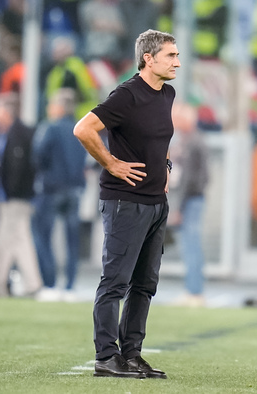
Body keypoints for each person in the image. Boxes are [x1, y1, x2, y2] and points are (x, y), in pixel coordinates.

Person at [74, 29, 180, 379]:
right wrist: (111, 163)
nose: (177, 62)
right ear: (148, 59)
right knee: (115, 282)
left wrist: (165, 167)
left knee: (145, 285)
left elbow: (161, 137)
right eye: (170, 56)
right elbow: (84, 129)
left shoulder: (167, 94)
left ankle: (132, 355)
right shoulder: (126, 95)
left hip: (155, 202)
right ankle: (106, 356)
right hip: (124, 201)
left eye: (177, 55)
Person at [32, 88, 86, 302]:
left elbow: (38, 155)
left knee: (42, 234)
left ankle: (50, 283)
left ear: (59, 107)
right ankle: (70, 286)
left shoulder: (50, 128)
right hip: (74, 189)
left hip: (51, 189)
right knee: (72, 240)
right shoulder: (80, 128)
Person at [0, 92, 41, 296]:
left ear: (6, 111)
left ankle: (22, 283)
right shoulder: (0, 133)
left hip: (16, 198)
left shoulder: (20, 133)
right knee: (9, 240)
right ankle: (0, 282)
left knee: (13, 240)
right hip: (5, 197)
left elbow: (21, 168)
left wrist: (14, 192)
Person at [170, 102, 209, 307]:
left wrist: (179, 207)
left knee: (191, 245)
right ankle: (192, 289)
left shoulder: (193, 143)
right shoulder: (189, 141)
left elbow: (189, 179)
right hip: (192, 199)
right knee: (189, 245)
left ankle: (195, 291)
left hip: (191, 200)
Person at [45, 36, 98, 121]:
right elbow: (51, 97)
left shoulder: (76, 66)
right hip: (61, 112)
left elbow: (88, 90)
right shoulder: (55, 72)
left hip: (81, 109)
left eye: (61, 50)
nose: (57, 53)